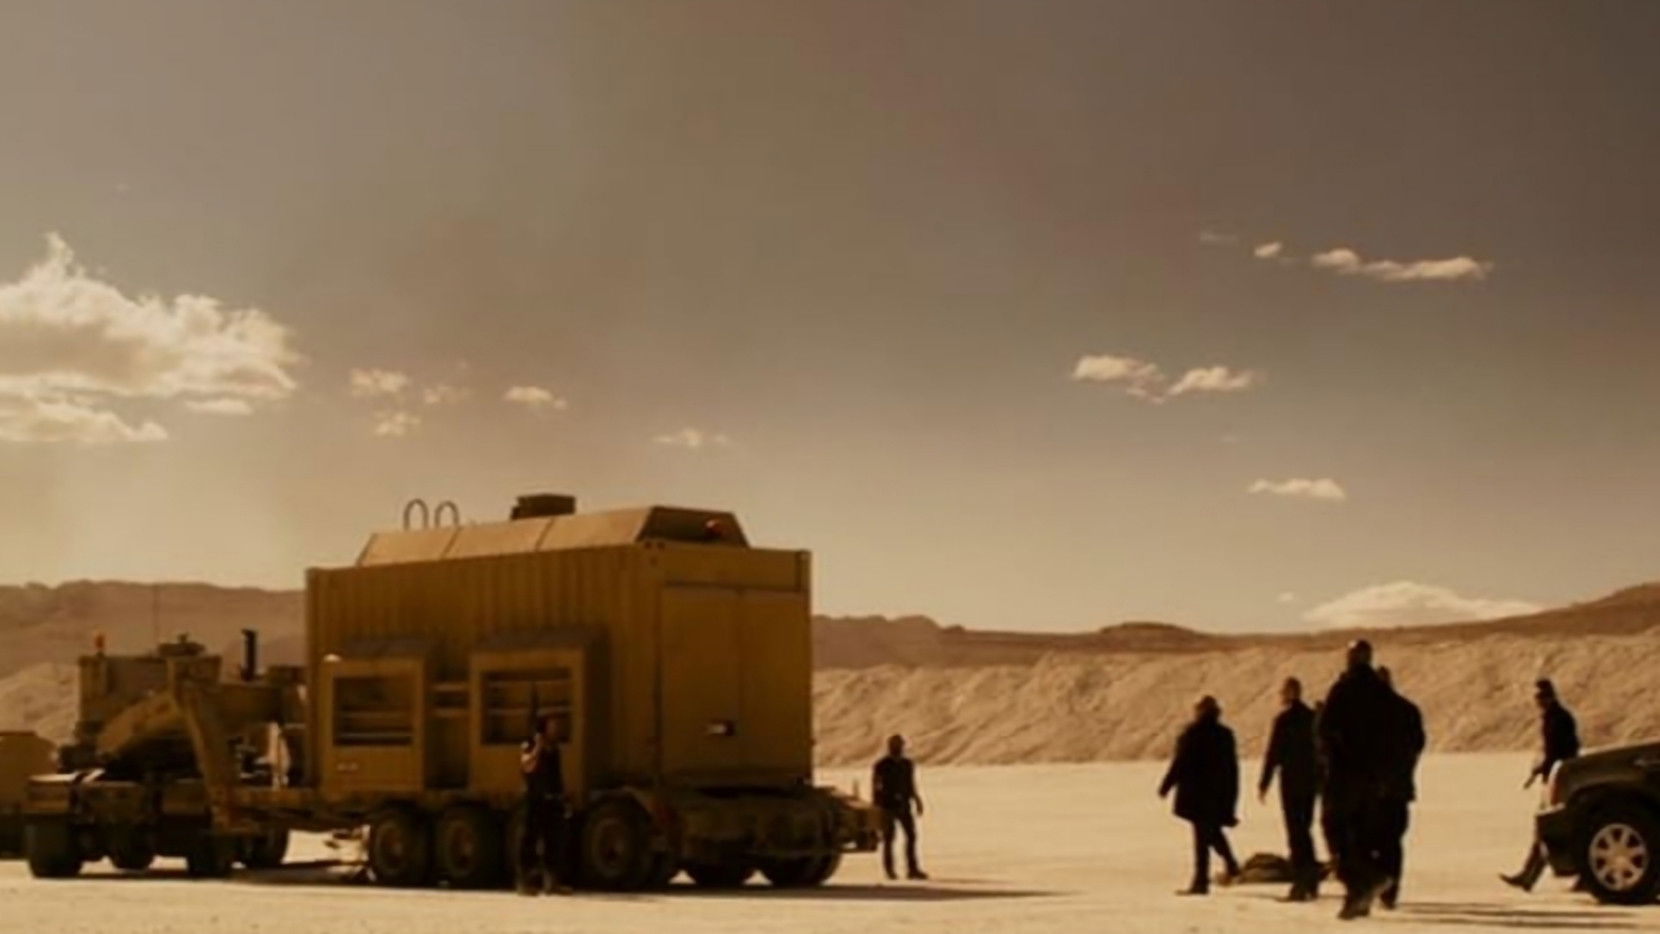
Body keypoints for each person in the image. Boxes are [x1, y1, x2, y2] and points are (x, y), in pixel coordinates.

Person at [1318, 640, 1399, 920]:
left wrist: (1332, 757)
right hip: (1374, 779)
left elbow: (1325, 729)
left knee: (1336, 830)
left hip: (1344, 775)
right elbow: (1396, 735)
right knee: (1361, 836)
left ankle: (1365, 880)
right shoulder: (1382, 693)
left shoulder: (1344, 689)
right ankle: (1358, 897)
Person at [1502, 679, 1581, 891]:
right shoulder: (1554, 717)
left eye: (1540, 697)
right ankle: (1529, 875)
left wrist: (1543, 767)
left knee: (1548, 828)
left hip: (1560, 780)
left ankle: (1529, 876)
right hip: (1556, 778)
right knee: (1550, 828)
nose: (1537, 701)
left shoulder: (1558, 719)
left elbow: (1562, 751)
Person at [1159, 695, 1241, 896]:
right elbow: (1232, 768)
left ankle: (1201, 881)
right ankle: (1230, 865)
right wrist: (1231, 794)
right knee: (1210, 831)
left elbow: (1181, 762)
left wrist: (1167, 785)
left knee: (1202, 837)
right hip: (1218, 793)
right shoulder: (1225, 735)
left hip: (1196, 793)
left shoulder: (1193, 733)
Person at [1260, 677, 1321, 901]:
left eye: (1284, 692)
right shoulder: (1312, 718)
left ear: (1292, 693)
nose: (1281, 696)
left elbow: (1274, 753)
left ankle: (1302, 881)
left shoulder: (1284, 720)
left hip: (1292, 782)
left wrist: (1264, 782)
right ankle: (1310, 879)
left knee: (1296, 832)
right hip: (1311, 781)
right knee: (1305, 829)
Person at [1375, 666, 1425, 910]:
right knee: (1393, 841)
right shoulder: (1408, 709)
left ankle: (1379, 885)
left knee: (1372, 839)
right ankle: (1390, 890)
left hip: (1373, 788)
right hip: (1399, 786)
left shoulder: (1368, 713)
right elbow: (1418, 744)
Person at [518, 713, 572, 895]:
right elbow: (527, 766)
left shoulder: (555, 749)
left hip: (552, 800)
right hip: (534, 800)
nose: (555, 728)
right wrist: (538, 748)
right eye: (552, 725)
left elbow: (557, 776)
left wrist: (563, 797)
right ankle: (525, 883)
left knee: (554, 842)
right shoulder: (529, 745)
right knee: (529, 841)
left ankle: (552, 883)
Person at [872, 734, 928, 880]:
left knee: (911, 836)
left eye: (900, 745)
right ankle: (890, 870)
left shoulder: (907, 764)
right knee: (889, 838)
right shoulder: (881, 765)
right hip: (887, 806)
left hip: (904, 805)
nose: (898, 748)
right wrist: (877, 807)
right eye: (895, 745)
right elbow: (876, 787)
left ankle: (912, 869)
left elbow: (911, 784)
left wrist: (917, 800)